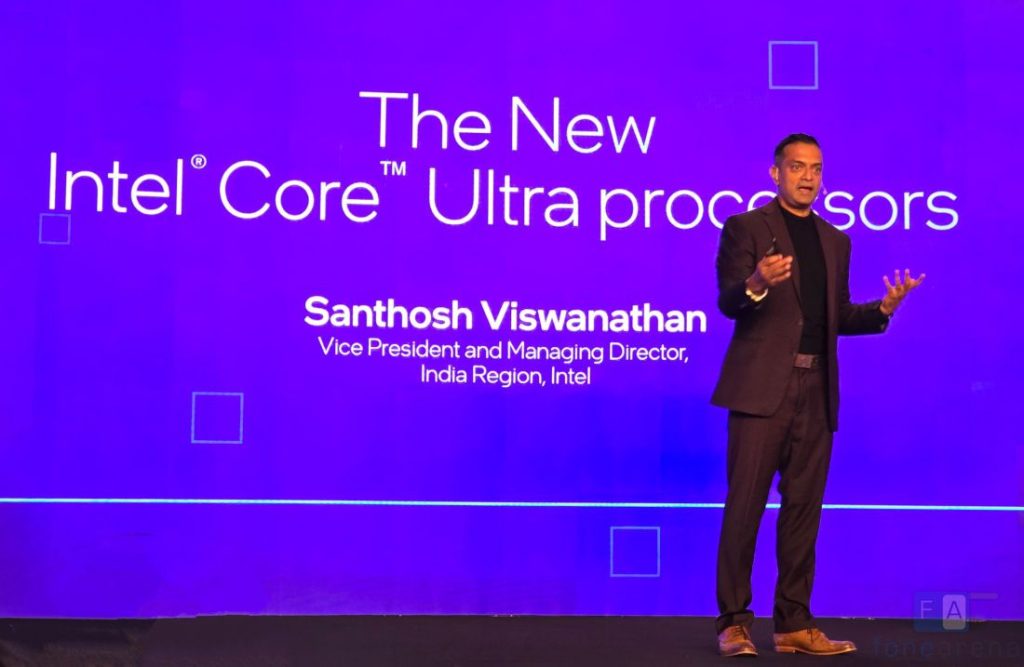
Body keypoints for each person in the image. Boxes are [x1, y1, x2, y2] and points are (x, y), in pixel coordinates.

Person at [711, 134, 924, 657]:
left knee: (804, 510)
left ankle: (793, 624)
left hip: (817, 388)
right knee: (744, 508)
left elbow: (837, 316)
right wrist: (757, 280)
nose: (808, 177)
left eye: (816, 168)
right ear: (775, 173)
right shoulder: (745, 227)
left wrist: (881, 311)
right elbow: (730, 301)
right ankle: (734, 623)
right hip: (761, 389)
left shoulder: (836, 240)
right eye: (797, 167)